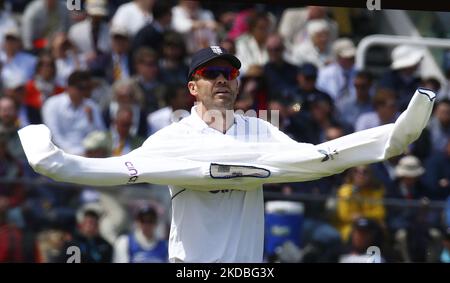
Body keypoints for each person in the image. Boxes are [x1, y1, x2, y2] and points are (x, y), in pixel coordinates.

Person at [19, 46, 436, 263]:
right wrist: (43, 152)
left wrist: (395, 139)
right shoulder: (171, 138)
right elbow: (102, 169)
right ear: (193, 88)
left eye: (230, 74)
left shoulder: (261, 130)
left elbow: (317, 159)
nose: (222, 80)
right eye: (210, 74)